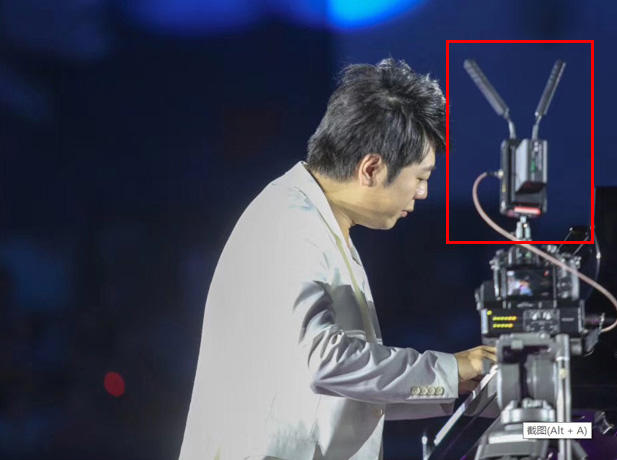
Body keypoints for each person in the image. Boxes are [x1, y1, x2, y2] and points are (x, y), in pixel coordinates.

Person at [179, 58, 496, 460]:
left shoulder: (313, 220)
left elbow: (339, 393)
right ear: (371, 168)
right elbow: (326, 362)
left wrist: (451, 384)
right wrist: (449, 369)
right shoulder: (290, 223)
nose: (423, 193)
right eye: (421, 177)